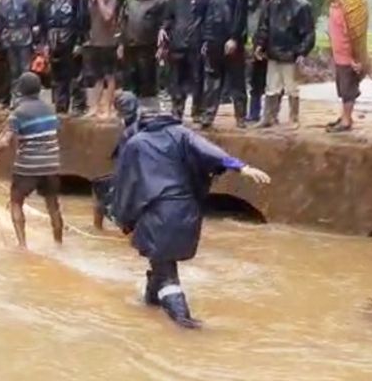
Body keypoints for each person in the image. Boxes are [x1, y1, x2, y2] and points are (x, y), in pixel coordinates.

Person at [112, 100, 271, 328]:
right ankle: (149, 307)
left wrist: (123, 220)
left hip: (157, 213)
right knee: (161, 264)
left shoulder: (135, 144)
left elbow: (125, 185)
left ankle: (185, 323)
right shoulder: (182, 134)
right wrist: (240, 166)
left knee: (166, 272)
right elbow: (210, 153)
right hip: (187, 210)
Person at [0, 72, 64, 250]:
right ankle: (59, 244)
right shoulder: (50, 109)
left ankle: (22, 246)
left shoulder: (18, 113)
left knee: (16, 202)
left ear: (20, 91)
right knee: (53, 204)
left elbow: (2, 144)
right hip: (51, 164)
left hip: (28, 166)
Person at [254, 0, 316, 129]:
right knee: (271, 86)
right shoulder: (272, 3)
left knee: (291, 87)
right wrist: (260, 44)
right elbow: (265, 26)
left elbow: (308, 33)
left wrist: (302, 52)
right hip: (273, 52)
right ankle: (269, 117)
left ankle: (293, 118)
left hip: (291, 54)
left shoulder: (302, 6)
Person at [201, 0, 250, 129]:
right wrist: (206, 39)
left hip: (230, 38)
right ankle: (208, 116)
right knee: (212, 79)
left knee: (236, 79)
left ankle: (241, 117)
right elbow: (210, 13)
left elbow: (240, 12)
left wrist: (235, 37)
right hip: (214, 38)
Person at [160, 0, 208, 120]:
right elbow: (168, 18)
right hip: (177, 43)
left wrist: (205, 40)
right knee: (176, 78)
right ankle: (177, 109)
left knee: (197, 77)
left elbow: (206, 20)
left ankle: (197, 109)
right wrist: (163, 29)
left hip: (195, 42)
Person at [40, 0, 88, 115]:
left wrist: (80, 42)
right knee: (58, 77)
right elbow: (45, 21)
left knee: (75, 75)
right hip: (55, 40)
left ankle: (79, 106)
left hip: (71, 39)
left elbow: (83, 21)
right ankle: (61, 106)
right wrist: (45, 43)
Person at [324, 0, 367, 133]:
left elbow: (352, 37)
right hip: (339, 56)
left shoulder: (347, 11)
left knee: (348, 90)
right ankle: (344, 116)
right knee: (343, 89)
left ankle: (347, 120)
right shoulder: (336, 6)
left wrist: (354, 59)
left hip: (347, 58)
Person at [118, 0, 168, 100]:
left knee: (148, 84)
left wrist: (163, 47)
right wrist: (121, 44)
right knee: (129, 84)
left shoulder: (161, 1)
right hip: (130, 48)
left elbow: (166, 24)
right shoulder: (130, 0)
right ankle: (131, 113)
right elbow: (123, 21)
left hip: (148, 49)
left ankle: (149, 113)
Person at [92, 91, 140, 230]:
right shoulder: (139, 124)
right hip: (146, 174)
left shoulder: (129, 131)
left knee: (99, 188)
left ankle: (98, 229)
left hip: (133, 178)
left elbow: (125, 162)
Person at [0, 0, 37, 107]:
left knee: (25, 68)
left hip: (24, 35)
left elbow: (32, 19)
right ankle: (16, 99)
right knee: (13, 70)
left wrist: (35, 39)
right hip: (9, 37)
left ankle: (28, 98)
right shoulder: (0, 0)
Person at [248, 0, 283, 123]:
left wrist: (261, 43)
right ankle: (256, 113)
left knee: (273, 83)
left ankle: (270, 114)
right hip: (262, 43)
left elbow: (269, 25)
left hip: (272, 46)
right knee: (257, 81)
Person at [86, 0, 119, 119]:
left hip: (109, 42)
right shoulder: (90, 0)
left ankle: (109, 108)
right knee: (97, 77)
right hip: (95, 42)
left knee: (109, 76)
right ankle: (94, 107)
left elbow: (107, 16)